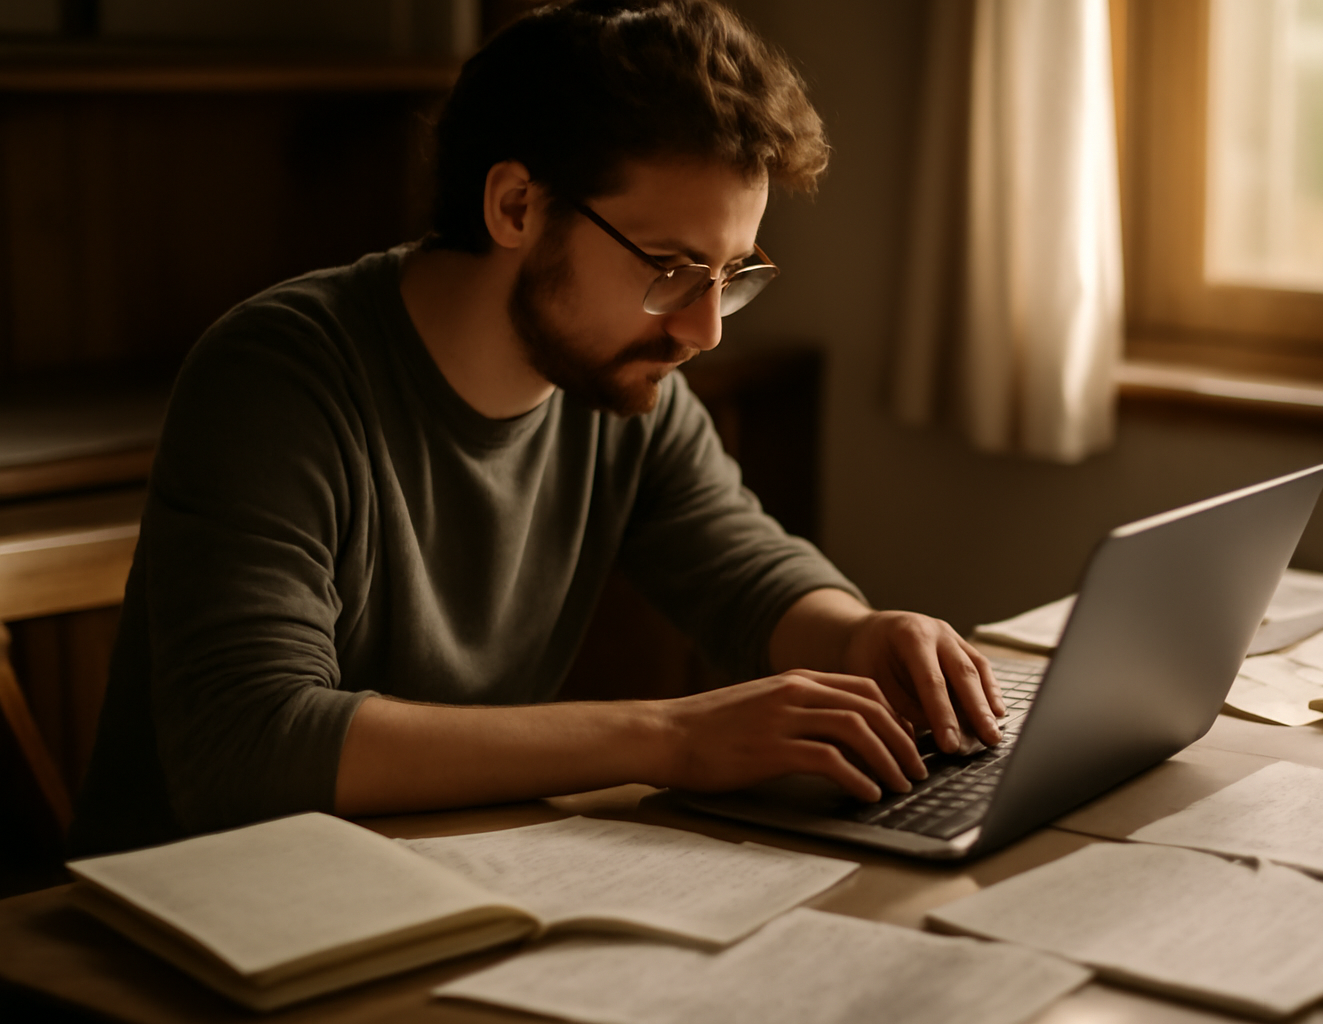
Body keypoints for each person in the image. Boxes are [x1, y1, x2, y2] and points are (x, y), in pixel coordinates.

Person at [69, 0, 1003, 857]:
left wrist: (860, 636)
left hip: (443, 876)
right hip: (203, 919)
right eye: (673, 267)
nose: (703, 331)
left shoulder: (616, 379)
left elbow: (747, 575)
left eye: (731, 275)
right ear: (516, 205)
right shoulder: (280, 377)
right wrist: (674, 738)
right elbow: (248, 750)